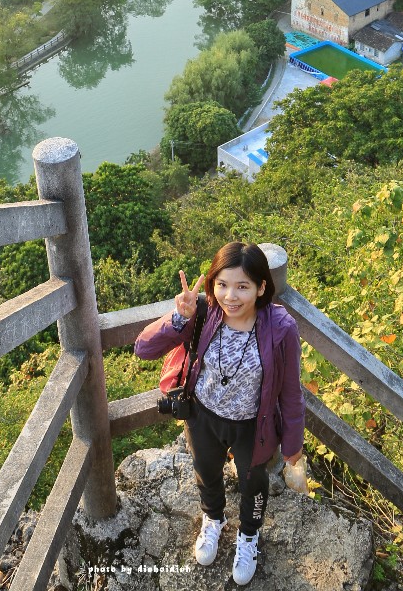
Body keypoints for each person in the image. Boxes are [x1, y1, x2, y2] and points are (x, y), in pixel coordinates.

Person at [134, 241, 305, 586]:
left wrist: (292, 445)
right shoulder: (203, 311)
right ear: (212, 284)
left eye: (242, 286)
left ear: (261, 287)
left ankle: (249, 535)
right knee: (206, 470)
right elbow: (144, 349)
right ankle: (213, 518)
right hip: (202, 416)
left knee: (254, 482)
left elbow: (290, 391)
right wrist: (179, 318)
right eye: (222, 284)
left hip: (252, 424)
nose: (230, 296)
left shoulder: (281, 328)